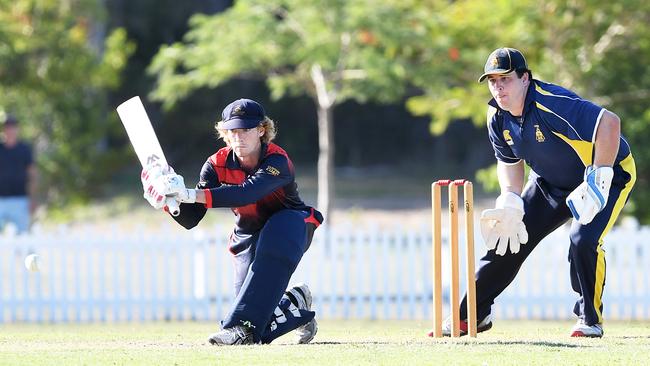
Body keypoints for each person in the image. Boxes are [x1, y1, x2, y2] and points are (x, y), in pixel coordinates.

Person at [436, 47, 635, 338]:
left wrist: (599, 175)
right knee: (508, 238)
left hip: (610, 173)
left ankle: (589, 320)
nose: (498, 87)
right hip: (549, 183)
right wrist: (510, 198)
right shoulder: (496, 115)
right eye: (492, 81)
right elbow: (508, 161)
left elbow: (610, 123)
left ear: (525, 78)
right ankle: (471, 316)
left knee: (582, 240)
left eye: (505, 79)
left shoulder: (550, 103)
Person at [140, 98, 324, 345]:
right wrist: (167, 201)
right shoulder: (216, 164)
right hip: (248, 233)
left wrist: (189, 193)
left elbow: (247, 192)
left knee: (275, 238)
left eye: (246, 129)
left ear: (261, 130)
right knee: (256, 311)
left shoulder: (277, 161)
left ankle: (238, 331)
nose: (238, 136)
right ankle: (295, 304)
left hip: (292, 224)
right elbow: (191, 217)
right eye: (232, 130)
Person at [0, 114, 37, 234]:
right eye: (8, 127)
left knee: (24, 237)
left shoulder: (24, 149)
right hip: (1, 199)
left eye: (13, 127)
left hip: (20, 199)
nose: (10, 130)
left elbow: (32, 174)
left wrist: (32, 198)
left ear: (17, 129)